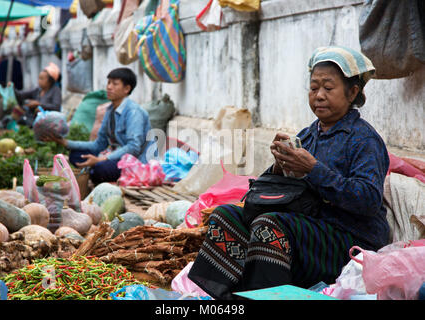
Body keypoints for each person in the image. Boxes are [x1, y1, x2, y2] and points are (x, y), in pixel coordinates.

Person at [188, 46, 391, 300]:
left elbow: (368, 200)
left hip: (350, 239)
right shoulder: (308, 135)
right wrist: (279, 166)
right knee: (226, 215)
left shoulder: (364, 139)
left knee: (269, 225)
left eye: (328, 88)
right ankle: (231, 297)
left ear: (352, 92)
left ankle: (269, 297)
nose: (319, 95)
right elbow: (275, 189)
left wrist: (313, 169)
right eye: (314, 87)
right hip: (307, 227)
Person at [43, 67, 156, 185]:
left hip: (135, 163)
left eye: (115, 84)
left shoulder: (134, 112)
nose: (109, 87)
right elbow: (99, 144)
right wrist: (65, 142)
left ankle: (97, 172)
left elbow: (133, 147)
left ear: (126, 89)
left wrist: (101, 159)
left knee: (100, 169)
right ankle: (96, 171)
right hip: (116, 156)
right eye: (108, 83)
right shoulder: (110, 110)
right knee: (75, 155)